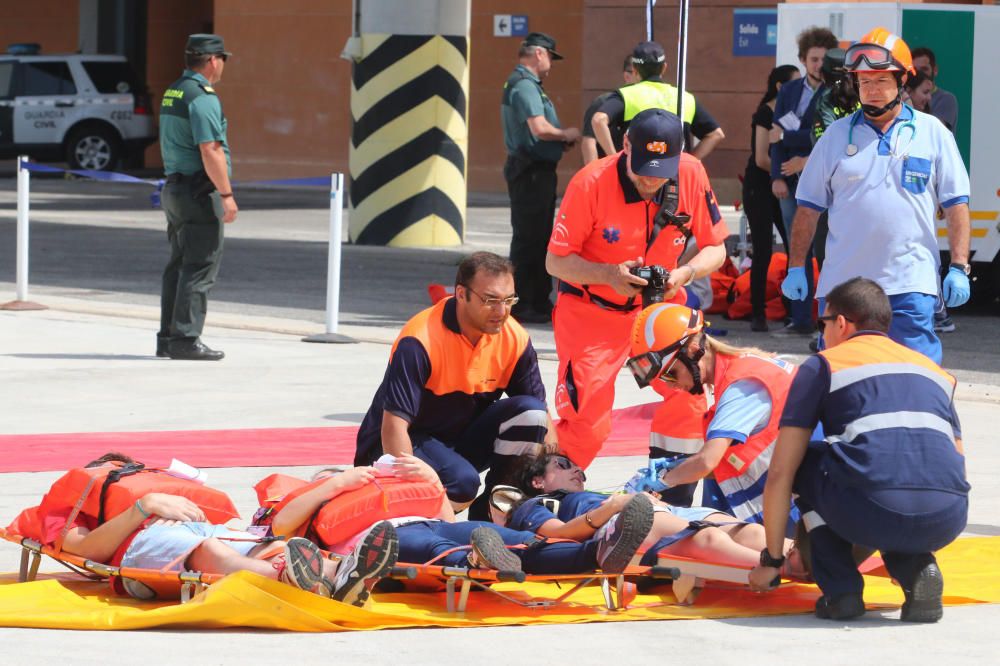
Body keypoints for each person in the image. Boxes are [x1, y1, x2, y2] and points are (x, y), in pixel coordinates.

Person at [749, 278, 969, 623]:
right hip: (948, 516)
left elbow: (780, 473)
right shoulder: (934, 371)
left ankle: (842, 592)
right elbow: (955, 462)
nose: (822, 333)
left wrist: (772, 562)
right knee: (889, 474)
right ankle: (917, 569)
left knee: (808, 463)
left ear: (841, 323)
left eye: (823, 323)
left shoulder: (824, 365)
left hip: (876, 508)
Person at [545, 108, 729, 469]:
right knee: (586, 416)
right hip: (592, 310)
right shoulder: (590, 182)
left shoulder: (691, 173)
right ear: (625, 145)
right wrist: (609, 275)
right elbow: (556, 262)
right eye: (643, 170)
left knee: (691, 389)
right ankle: (558, 495)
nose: (650, 181)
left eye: (660, 173)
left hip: (660, 307)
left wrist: (685, 273)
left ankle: (669, 492)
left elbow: (717, 247)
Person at [781, 27, 972, 364]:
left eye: (881, 81)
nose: (870, 90)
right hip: (843, 288)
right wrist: (796, 266)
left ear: (903, 82)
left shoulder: (933, 134)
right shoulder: (834, 138)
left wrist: (958, 266)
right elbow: (808, 210)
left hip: (910, 284)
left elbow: (956, 205)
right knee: (838, 381)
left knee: (918, 376)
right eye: (864, 82)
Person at [8, 452, 390, 603]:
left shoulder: (162, 484)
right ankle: (297, 582)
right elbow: (84, 551)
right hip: (147, 541)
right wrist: (142, 507)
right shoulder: (75, 502)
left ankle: (338, 574)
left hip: (205, 529)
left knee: (263, 544)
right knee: (207, 554)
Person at [354, 252, 555, 520]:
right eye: (491, 300)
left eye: (509, 300)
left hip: (457, 441)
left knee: (532, 413)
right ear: (461, 294)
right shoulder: (420, 339)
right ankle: (428, 521)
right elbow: (393, 427)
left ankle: (494, 515)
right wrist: (409, 485)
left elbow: (542, 416)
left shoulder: (514, 338)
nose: (502, 311)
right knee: (462, 483)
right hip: (399, 444)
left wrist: (554, 475)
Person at [257, 458, 653, 578]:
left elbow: (444, 516)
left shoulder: (380, 488)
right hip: (380, 538)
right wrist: (332, 483)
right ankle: (473, 562)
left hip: (432, 522)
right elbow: (279, 527)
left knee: (493, 534)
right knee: (437, 547)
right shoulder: (316, 499)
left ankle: (596, 553)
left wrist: (432, 481)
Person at [624, 303, 799, 532]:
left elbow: (707, 460)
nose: (673, 385)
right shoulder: (741, 371)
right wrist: (676, 466)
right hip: (792, 498)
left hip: (799, 512)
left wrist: (666, 478)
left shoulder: (743, 387)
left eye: (670, 374)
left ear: (694, 348)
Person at [502, 453, 805, 574]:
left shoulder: (595, 495)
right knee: (707, 537)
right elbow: (554, 534)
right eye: (562, 465)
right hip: (622, 524)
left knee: (748, 531)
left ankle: (810, 556)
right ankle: (782, 568)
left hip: (657, 511)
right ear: (538, 481)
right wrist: (614, 506)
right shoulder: (534, 505)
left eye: (576, 465)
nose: (577, 469)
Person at [156, 34, 237, 361]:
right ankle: (186, 339)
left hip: (175, 188)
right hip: (198, 191)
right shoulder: (202, 97)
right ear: (213, 60)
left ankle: (168, 337)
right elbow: (210, 148)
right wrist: (227, 194)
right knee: (199, 265)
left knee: (178, 265)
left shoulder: (174, 90)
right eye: (223, 60)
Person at [500, 32, 580, 325]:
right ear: (539, 54)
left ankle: (533, 300)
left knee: (535, 236)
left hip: (535, 170)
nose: (551, 64)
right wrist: (566, 134)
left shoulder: (523, 85)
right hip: (531, 172)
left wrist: (557, 142)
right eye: (551, 57)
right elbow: (539, 128)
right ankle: (524, 302)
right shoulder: (525, 86)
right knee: (530, 239)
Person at [770, 27, 839, 337]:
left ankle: (825, 318)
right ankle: (799, 319)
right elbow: (775, 137)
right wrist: (776, 176)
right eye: (813, 59)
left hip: (821, 176)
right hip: (789, 176)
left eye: (823, 59)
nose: (818, 65)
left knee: (822, 250)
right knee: (796, 250)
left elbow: (824, 137)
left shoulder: (836, 92)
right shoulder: (789, 91)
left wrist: (791, 139)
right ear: (802, 59)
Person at [591, 41, 725, 161]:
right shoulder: (685, 97)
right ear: (664, 67)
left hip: (637, 177)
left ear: (635, 70)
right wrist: (689, 160)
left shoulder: (626, 95)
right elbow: (716, 134)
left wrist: (614, 159)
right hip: (675, 178)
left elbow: (599, 120)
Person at [743, 65, 799, 332]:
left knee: (793, 248)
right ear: (780, 86)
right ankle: (757, 313)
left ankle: (792, 310)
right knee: (763, 250)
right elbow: (761, 158)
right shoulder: (766, 111)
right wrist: (784, 173)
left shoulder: (791, 114)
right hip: (760, 186)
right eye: (795, 82)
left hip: (783, 187)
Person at [581, 55, 638, 165]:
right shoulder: (604, 102)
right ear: (627, 76)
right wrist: (595, 174)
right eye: (638, 74)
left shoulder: (647, 103)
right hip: (609, 170)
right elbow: (589, 142)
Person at [911, 47, 958, 131]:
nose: (919, 74)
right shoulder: (901, 97)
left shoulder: (946, 99)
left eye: (924, 69)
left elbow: (935, 131)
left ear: (935, 70)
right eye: (914, 70)